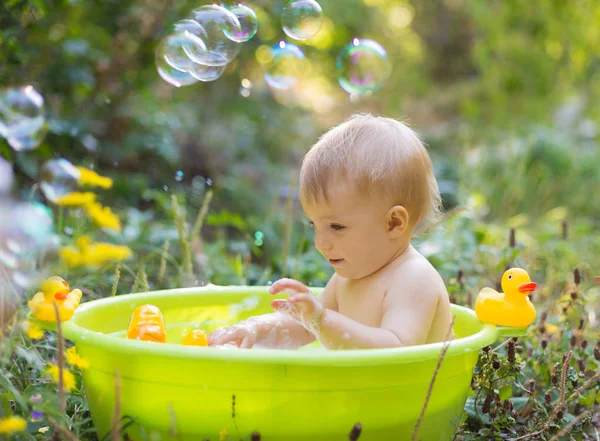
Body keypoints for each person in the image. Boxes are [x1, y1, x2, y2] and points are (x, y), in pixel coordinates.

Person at [208, 114, 454, 350]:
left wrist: (323, 321)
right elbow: (306, 328)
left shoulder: (413, 278)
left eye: (337, 226)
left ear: (393, 224)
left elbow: (397, 349)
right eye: (315, 225)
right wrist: (256, 329)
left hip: (421, 393)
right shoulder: (347, 278)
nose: (320, 243)